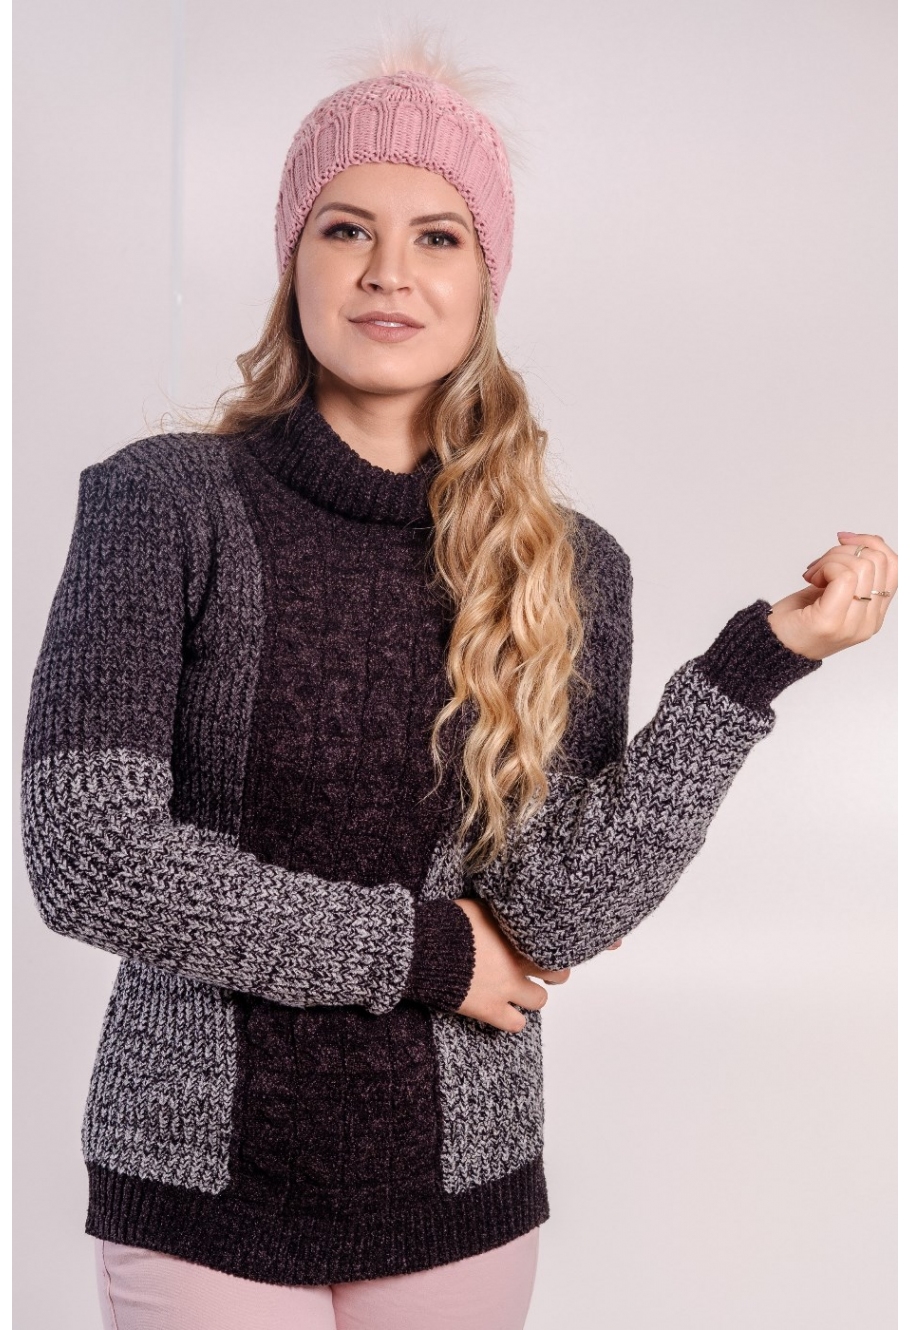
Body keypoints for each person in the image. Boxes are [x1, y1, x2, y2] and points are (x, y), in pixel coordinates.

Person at [20, 42, 897, 1330]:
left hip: (460, 1186)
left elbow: (555, 914)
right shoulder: (163, 506)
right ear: (293, 261)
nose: (389, 271)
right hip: (199, 1177)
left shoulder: (568, 565)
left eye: (437, 236)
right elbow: (89, 855)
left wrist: (755, 667)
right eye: (346, 229)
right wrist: (428, 950)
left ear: (487, 277)